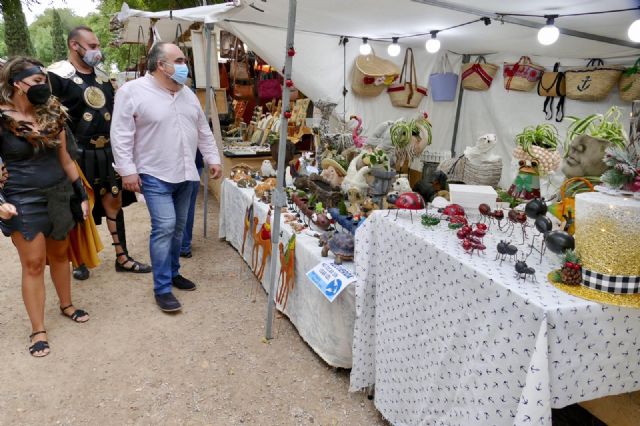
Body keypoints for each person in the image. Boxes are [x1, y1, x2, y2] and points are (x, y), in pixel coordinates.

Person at [111, 42, 222, 312]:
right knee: (165, 227)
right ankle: (162, 288)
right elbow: (121, 133)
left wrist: (213, 158)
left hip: (187, 172)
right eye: (180, 60)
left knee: (179, 228)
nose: (185, 66)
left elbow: (202, 129)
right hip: (154, 172)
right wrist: (127, 170)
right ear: (161, 65)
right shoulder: (132, 92)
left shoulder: (188, 94)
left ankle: (173, 272)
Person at [0, 57, 90, 357]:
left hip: (58, 194)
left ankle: (67, 304)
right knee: (34, 263)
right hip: (21, 199)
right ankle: (38, 329)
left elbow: (66, 160)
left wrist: (80, 194)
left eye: (45, 81)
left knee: (61, 254)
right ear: (17, 83)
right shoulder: (2, 119)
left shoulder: (52, 114)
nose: (44, 87)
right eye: (38, 81)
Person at [48, 26, 151, 279]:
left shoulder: (103, 78)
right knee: (78, 205)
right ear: (74, 45)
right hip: (76, 155)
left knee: (114, 201)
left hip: (106, 151)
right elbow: (49, 119)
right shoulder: (56, 76)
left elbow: (117, 116)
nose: (98, 51)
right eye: (92, 46)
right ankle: (79, 259)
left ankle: (122, 257)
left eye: (97, 46)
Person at [180, 149, 204, 258]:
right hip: (194, 161)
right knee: (188, 206)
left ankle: (183, 245)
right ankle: (184, 243)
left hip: (182, 163)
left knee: (183, 206)